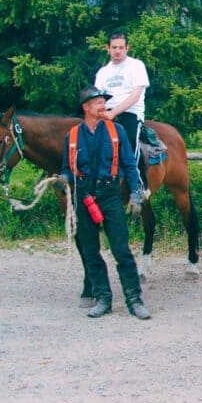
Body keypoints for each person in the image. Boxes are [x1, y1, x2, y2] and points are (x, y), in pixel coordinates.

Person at [60, 86, 150, 320]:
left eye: (104, 101)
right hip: (83, 197)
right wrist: (62, 179)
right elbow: (67, 170)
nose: (103, 106)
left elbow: (130, 166)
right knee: (90, 251)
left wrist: (135, 195)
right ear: (86, 107)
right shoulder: (72, 136)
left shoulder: (117, 130)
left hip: (109, 195)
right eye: (99, 102)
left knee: (121, 249)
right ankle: (103, 298)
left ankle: (134, 300)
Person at [95, 31, 150, 189]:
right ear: (108, 48)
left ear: (127, 48)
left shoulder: (136, 66)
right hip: (107, 113)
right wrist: (102, 112)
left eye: (121, 47)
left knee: (130, 142)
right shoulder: (103, 73)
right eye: (114, 47)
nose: (117, 51)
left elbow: (135, 95)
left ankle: (139, 185)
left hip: (131, 112)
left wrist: (113, 112)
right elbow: (98, 98)